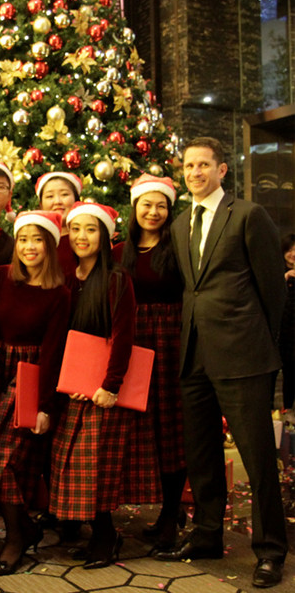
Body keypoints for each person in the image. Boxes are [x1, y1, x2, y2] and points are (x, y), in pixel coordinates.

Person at [159, 136, 287, 589]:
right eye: (188, 165)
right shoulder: (179, 224)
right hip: (194, 355)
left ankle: (271, 550)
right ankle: (207, 533)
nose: (194, 173)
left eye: (203, 165)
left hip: (244, 357)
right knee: (202, 454)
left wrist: (265, 349)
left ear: (222, 170)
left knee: (256, 458)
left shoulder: (248, 215)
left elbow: (274, 290)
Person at [0, 210, 70, 575]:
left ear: (50, 246)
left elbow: (52, 351)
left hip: (30, 376)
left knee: (3, 457)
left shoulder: (58, 293)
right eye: (25, 239)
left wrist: (44, 405)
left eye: (38, 241)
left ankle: (16, 536)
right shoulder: (0, 277)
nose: (30, 247)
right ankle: (23, 529)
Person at [50, 202, 135, 570]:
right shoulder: (65, 279)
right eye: (76, 229)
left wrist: (109, 384)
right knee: (70, 463)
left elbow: (123, 335)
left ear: (105, 236)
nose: (82, 237)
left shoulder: (117, 279)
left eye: (91, 230)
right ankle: (91, 531)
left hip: (100, 391)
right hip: (71, 386)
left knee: (97, 465)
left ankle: (105, 535)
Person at [113, 175, 185, 554]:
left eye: (161, 206)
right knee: (140, 426)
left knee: (171, 428)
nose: (153, 212)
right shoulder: (119, 251)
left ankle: (172, 516)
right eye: (146, 204)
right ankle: (158, 509)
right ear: (134, 208)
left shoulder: (179, 248)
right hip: (133, 341)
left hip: (170, 342)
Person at [35, 171, 82, 280]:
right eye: (50, 196)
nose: (57, 201)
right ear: (41, 204)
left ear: (76, 199)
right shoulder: (34, 240)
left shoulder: (87, 238)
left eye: (65, 194)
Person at [280, 233, 295, 410]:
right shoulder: (276, 271)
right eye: (290, 250)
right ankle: (281, 412)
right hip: (281, 332)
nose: (293, 254)